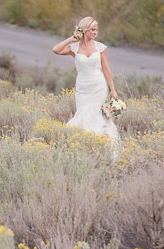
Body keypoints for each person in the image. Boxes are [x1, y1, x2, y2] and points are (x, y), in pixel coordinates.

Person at [52, 16, 121, 158]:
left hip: (99, 86)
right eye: (92, 30)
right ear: (85, 30)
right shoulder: (74, 48)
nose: (95, 32)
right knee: (83, 114)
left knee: (99, 116)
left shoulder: (100, 47)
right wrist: (72, 38)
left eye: (97, 29)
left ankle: (105, 151)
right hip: (83, 88)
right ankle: (81, 149)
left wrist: (112, 89)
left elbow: (107, 69)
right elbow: (56, 50)